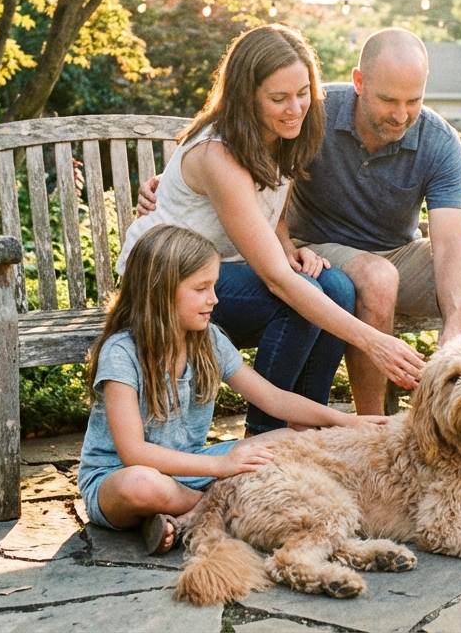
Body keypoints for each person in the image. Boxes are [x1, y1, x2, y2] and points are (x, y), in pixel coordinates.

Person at [140, 27, 461, 416]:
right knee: (351, 282)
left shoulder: (308, 120)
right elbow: (233, 175)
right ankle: (366, 428)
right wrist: (168, 185)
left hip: (377, 250)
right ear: (359, 82)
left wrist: (454, 328)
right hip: (283, 252)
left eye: (414, 100)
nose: (401, 114)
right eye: (388, 99)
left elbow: (452, 241)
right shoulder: (304, 117)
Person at [117, 24, 424, 435]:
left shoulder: (284, 134)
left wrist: (286, 245)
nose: (295, 107)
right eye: (278, 98)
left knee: (339, 288)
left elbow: (272, 209)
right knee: (296, 297)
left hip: (220, 272)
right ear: (247, 97)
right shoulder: (218, 153)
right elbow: (276, 280)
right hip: (163, 278)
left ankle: (304, 433)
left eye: (302, 93)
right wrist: (374, 341)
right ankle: (266, 437)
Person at [79, 225, 385, 553]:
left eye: (213, 286)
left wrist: (348, 421)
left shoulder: (207, 339)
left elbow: (274, 399)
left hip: (191, 465)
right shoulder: (121, 352)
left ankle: (182, 517)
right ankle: (221, 510)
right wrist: (221, 468)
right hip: (118, 478)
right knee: (142, 484)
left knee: (292, 439)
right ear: (161, 292)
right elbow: (133, 454)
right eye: (201, 288)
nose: (215, 298)